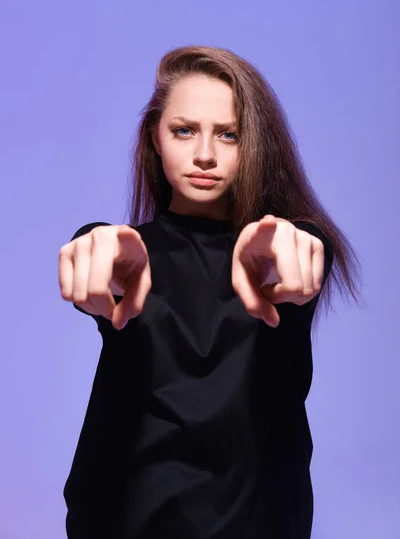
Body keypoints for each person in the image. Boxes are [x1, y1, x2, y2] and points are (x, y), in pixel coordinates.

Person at [59, 46, 361, 539]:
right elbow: (105, 249)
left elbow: (304, 251)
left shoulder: (276, 255)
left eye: (229, 135)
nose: (204, 154)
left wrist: (303, 242)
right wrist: (92, 238)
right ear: (154, 139)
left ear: (257, 146)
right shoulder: (128, 256)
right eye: (184, 130)